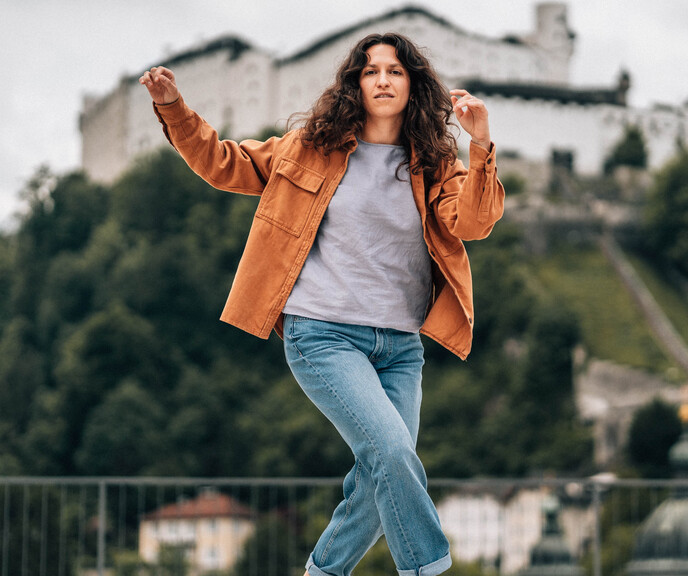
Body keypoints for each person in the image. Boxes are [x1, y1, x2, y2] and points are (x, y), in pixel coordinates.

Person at [140, 32, 504, 576]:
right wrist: (173, 108)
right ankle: (430, 569)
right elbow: (223, 163)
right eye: (372, 70)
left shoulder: (435, 164)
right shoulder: (308, 147)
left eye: (396, 71)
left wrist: (480, 145)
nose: (383, 80)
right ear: (355, 83)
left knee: (380, 476)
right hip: (324, 335)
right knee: (395, 457)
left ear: (413, 85)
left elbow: (473, 222)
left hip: (401, 346)